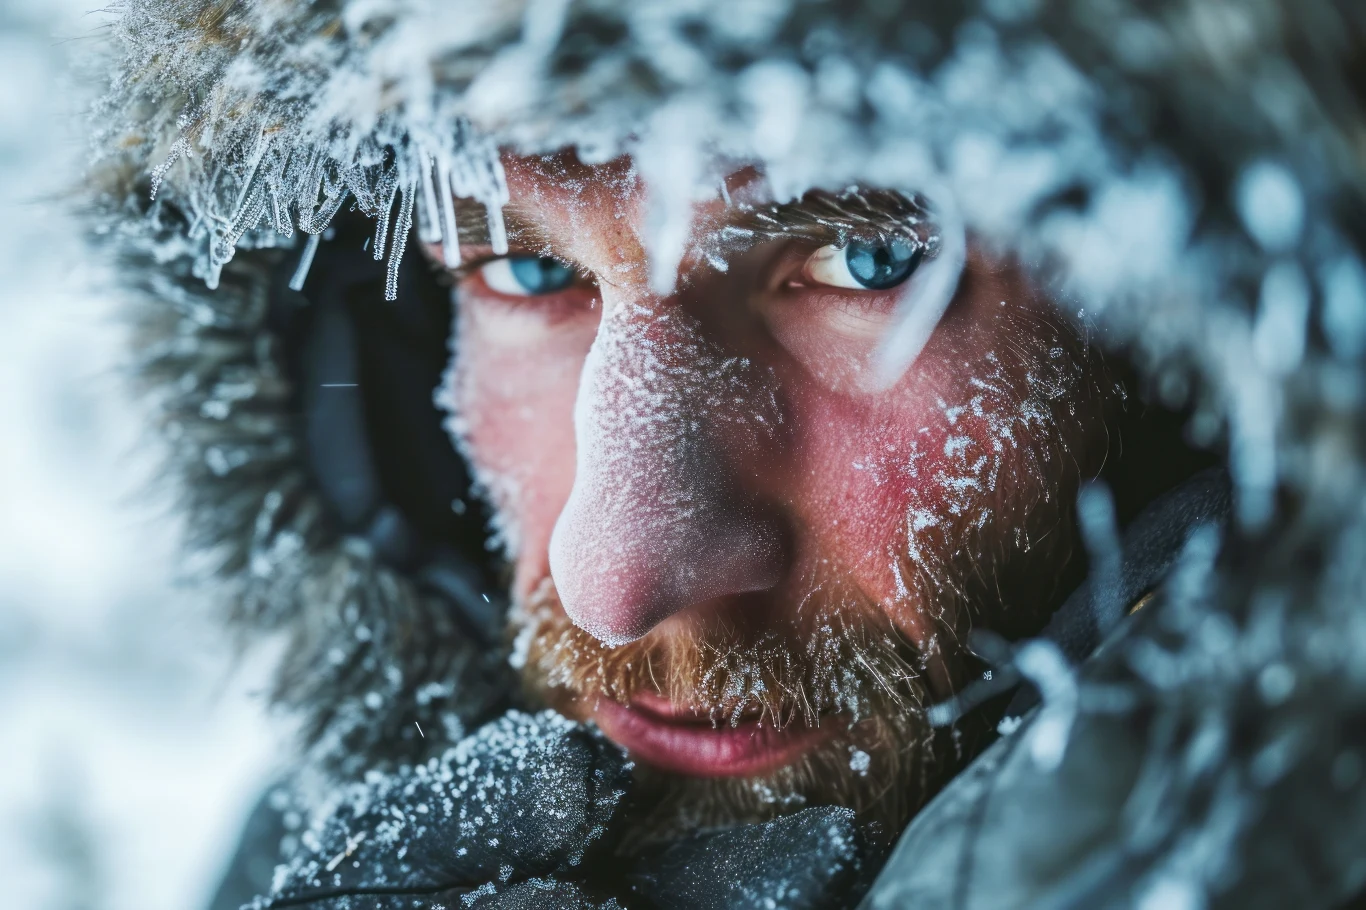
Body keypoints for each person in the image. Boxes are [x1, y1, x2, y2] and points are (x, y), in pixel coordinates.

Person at [86, 1, 1366, 908]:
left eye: (868, 262)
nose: (620, 574)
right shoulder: (363, 835)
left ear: (1187, 331)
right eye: (527, 270)